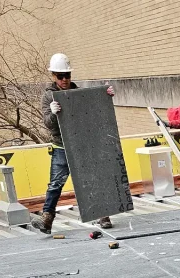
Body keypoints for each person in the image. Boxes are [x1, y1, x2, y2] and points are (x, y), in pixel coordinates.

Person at [32, 53, 115, 234]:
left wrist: (105, 97)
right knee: (56, 184)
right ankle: (47, 219)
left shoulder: (79, 93)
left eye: (67, 75)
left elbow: (96, 112)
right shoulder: (49, 97)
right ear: (53, 76)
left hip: (81, 144)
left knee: (93, 179)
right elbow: (47, 123)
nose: (64, 80)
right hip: (61, 145)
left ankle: (103, 214)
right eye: (60, 76)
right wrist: (53, 114)